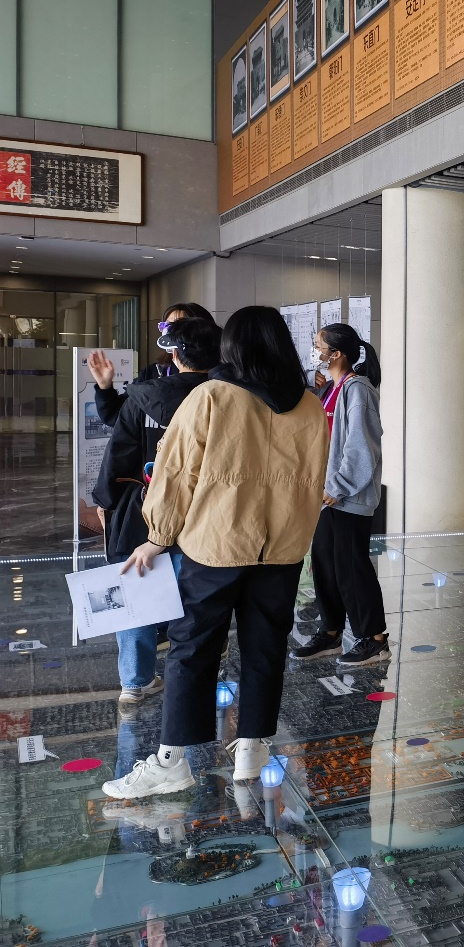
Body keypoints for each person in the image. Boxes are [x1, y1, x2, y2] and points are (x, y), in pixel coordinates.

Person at [101, 306, 329, 800]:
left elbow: (175, 473)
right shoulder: (309, 406)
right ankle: (252, 749)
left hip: (217, 544)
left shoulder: (212, 396)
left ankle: (171, 762)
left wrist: (158, 536)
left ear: (232, 346)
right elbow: (314, 481)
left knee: (192, 648)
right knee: (265, 647)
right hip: (282, 550)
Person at [89, 318, 221, 707]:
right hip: (205, 512)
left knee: (138, 592)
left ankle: (135, 681)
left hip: (142, 510)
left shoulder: (144, 398)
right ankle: (192, 680)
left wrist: (106, 501)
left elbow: (118, 454)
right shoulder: (227, 399)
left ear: (174, 354)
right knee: (195, 603)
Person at [290, 323, 387, 667]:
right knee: (325, 565)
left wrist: (338, 485)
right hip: (327, 496)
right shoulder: (332, 388)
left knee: (351, 567)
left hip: (348, 496)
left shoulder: (358, 389)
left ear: (338, 354)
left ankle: (374, 639)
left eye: (319, 346)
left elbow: (361, 447)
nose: (315, 351)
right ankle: (331, 631)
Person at [93, 302, 216, 426]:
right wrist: (105, 386)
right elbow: (117, 416)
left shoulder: (217, 376)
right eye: (166, 325)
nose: (169, 331)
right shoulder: (153, 373)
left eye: (178, 325)